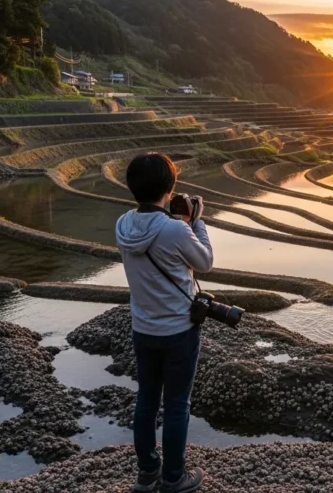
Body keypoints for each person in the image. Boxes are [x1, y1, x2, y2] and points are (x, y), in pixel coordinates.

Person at [115, 152, 213, 493]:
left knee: (146, 400)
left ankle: (146, 474)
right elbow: (205, 262)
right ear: (169, 188)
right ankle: (174, 478)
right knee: (175, 405)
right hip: (178, 332)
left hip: (142, 329)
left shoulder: (123, 224)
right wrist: (195, 221)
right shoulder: (175, 230)